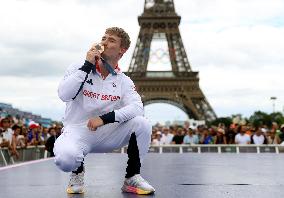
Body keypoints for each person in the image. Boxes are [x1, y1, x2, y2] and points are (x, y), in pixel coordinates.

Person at [54, 27, 155, 195]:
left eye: (111, 40)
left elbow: (138, 108)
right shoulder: (78, 67)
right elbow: (64, 95)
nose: (104, 42)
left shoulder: (124, 81)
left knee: (142, 123)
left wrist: (105, 118)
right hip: (77, 131)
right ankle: (77, 171)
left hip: (107, 132)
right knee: (65, 160)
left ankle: (132, 177)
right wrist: (87, 66)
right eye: (103, 38)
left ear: (122, 50)